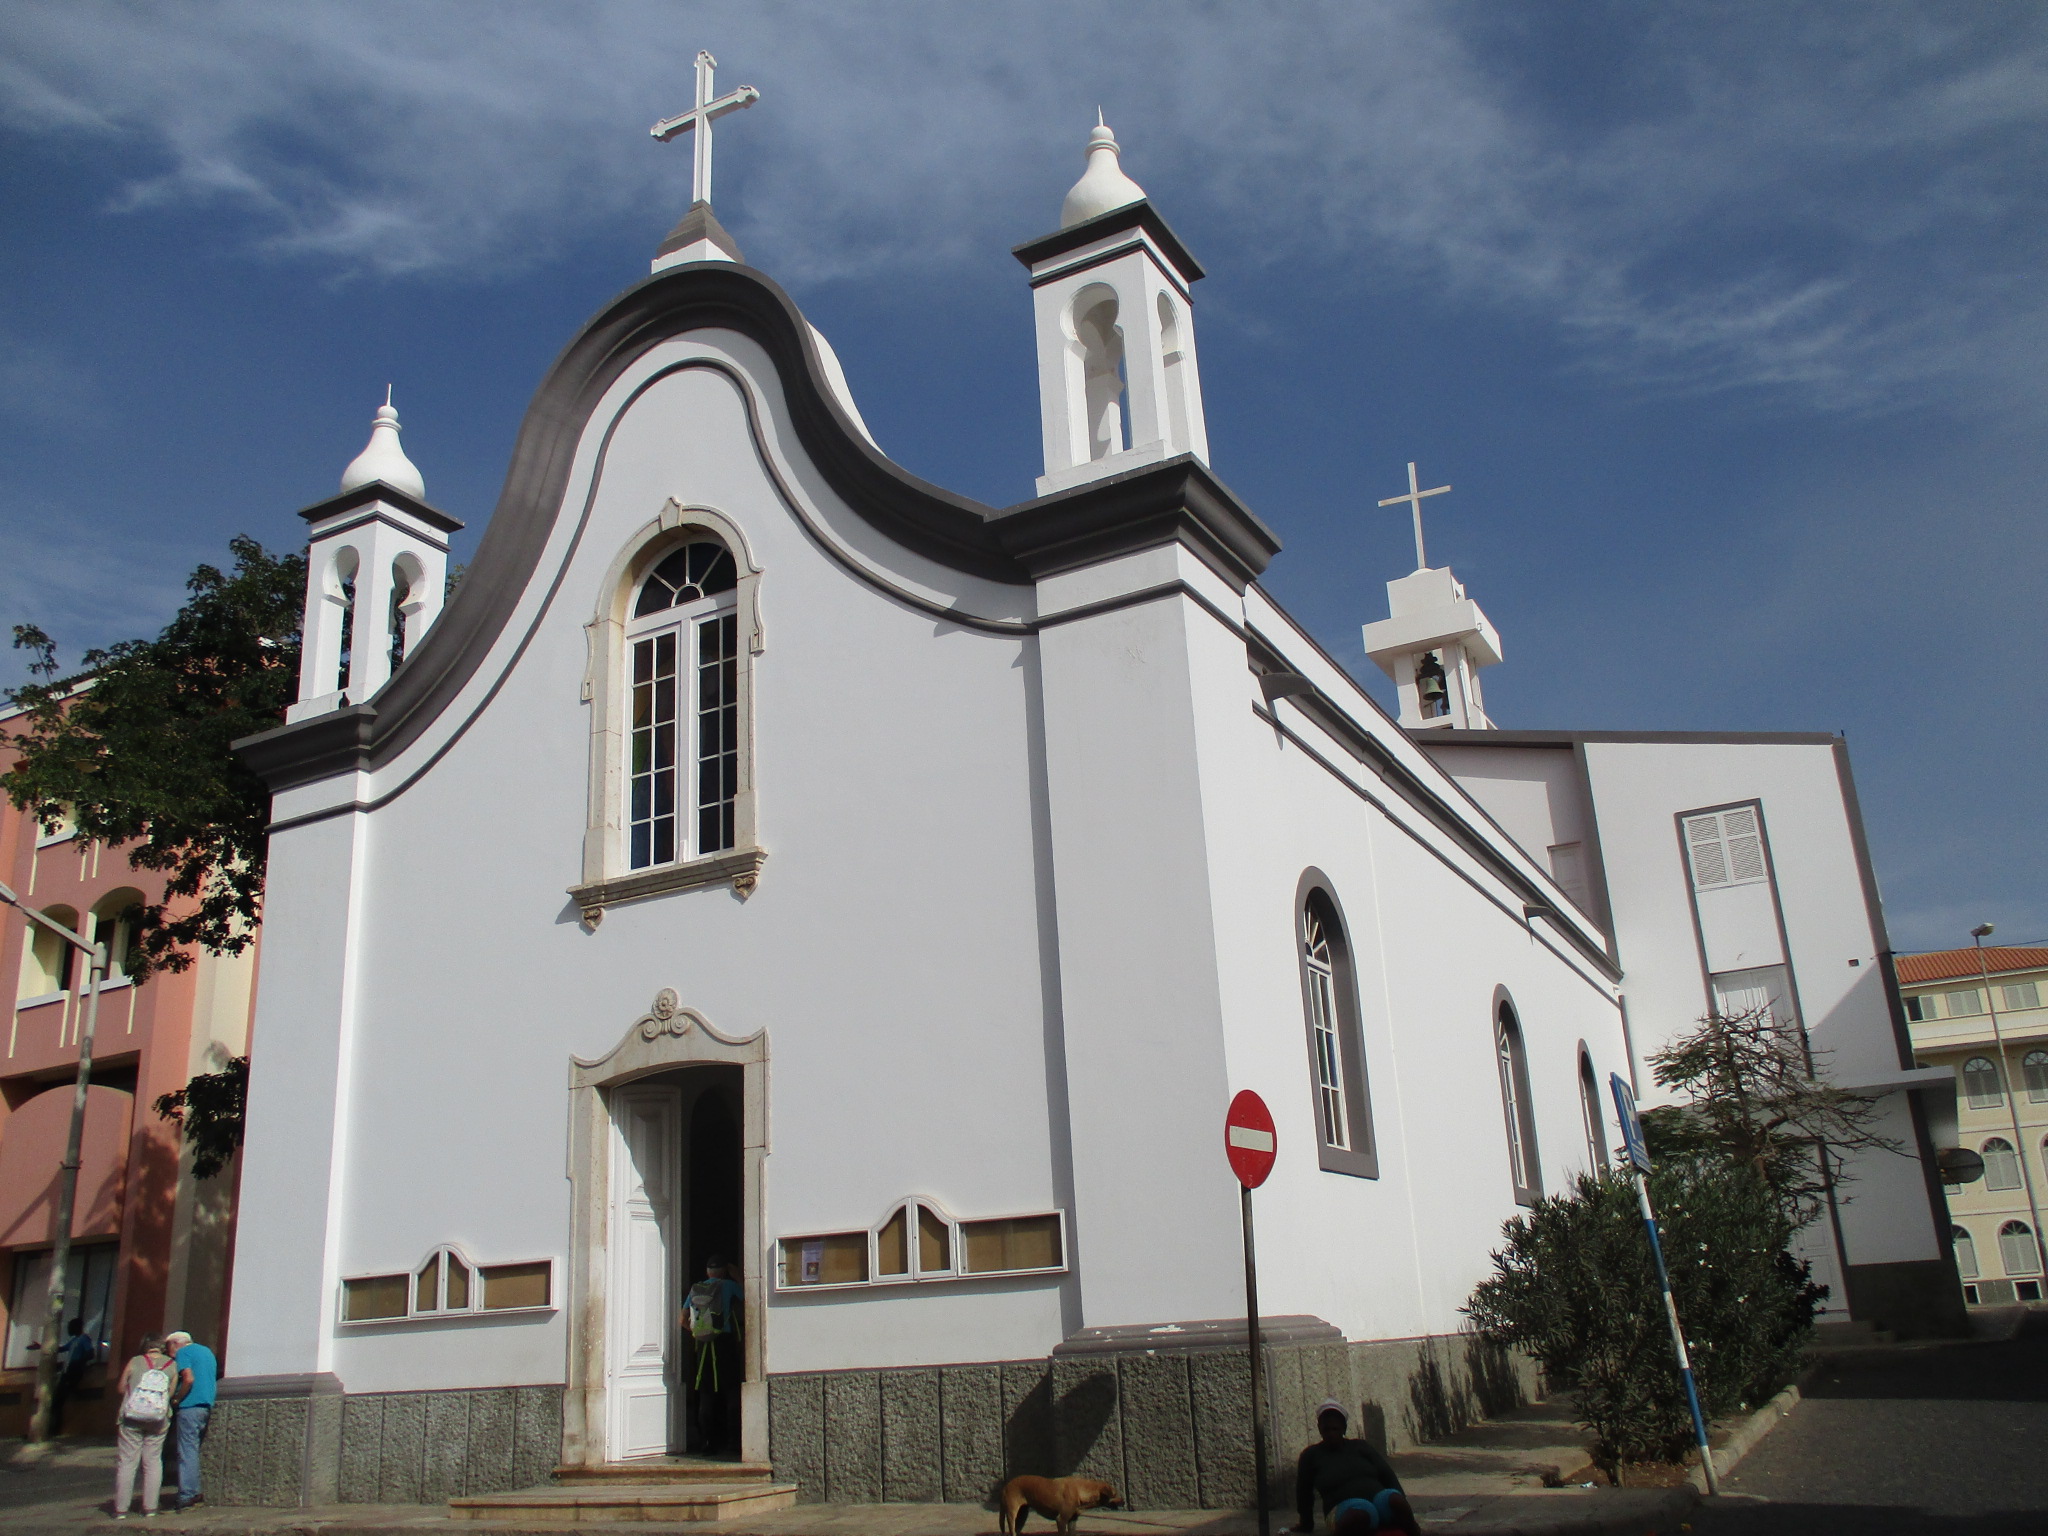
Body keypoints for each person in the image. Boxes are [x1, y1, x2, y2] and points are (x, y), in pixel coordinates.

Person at [1292, 1399, 1418, 1536]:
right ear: (1319, 1429)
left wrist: (1401, 1502)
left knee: (1395, 1500)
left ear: (1344, 1428)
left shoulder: (1360, 1446)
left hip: (1378, 1501)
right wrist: (1306, 1523)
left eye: (1335, 1429)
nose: (1331, 1434)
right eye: (1326, 1429)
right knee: (1359, 1515)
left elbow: (1387, 1475)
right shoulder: (1311, 1455)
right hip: (1344, 1509)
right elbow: (1304, 1492)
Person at [680, 1254, 743, 1457]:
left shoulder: (696, 1289)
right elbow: (749, 1295)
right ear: (724, 1270)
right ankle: (733, 1443)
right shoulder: (728, 1285)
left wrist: (699, 1333)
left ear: (707, 1272)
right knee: (731, 1391)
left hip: (703, 1345)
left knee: (705, 1393)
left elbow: (683, 1319)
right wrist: (737, 1275)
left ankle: (707, 1443)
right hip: (724, 1342)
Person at [110, 1333, 177, 1519]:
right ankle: (150, 1508)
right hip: (158, 1420)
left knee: (127, 1462)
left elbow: (121, 1388)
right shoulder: (172, 1365)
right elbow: (170, 1393)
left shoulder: (135, 1361)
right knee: (153, 1461)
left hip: (131, 1418)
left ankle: (121, 1509)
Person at [164, 1330, 218, 1511]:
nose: (169, 1352)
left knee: (186, 1451)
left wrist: (177, 1398)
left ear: (176, 1343)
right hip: (206, 1405)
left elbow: (188, 1378)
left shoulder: (183, 1353)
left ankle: (188, 1494)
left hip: (189, 1405)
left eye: (169, 1346)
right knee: (193, 1449)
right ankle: (193, 1491)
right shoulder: (207, 1352)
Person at [51, 1317, 97, 1434]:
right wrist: (42, 1346)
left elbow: (90, 1353)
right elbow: (62, 1349)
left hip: (73, 1372)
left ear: (76, 1327)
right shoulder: (74, 1340)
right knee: (56, 1401)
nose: (69, 1330)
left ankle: (55, 1429)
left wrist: (78, 1363)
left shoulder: (84, 1339)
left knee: (58, 1400)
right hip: (67, 1372)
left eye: (70, 1327)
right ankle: (54, 1427)